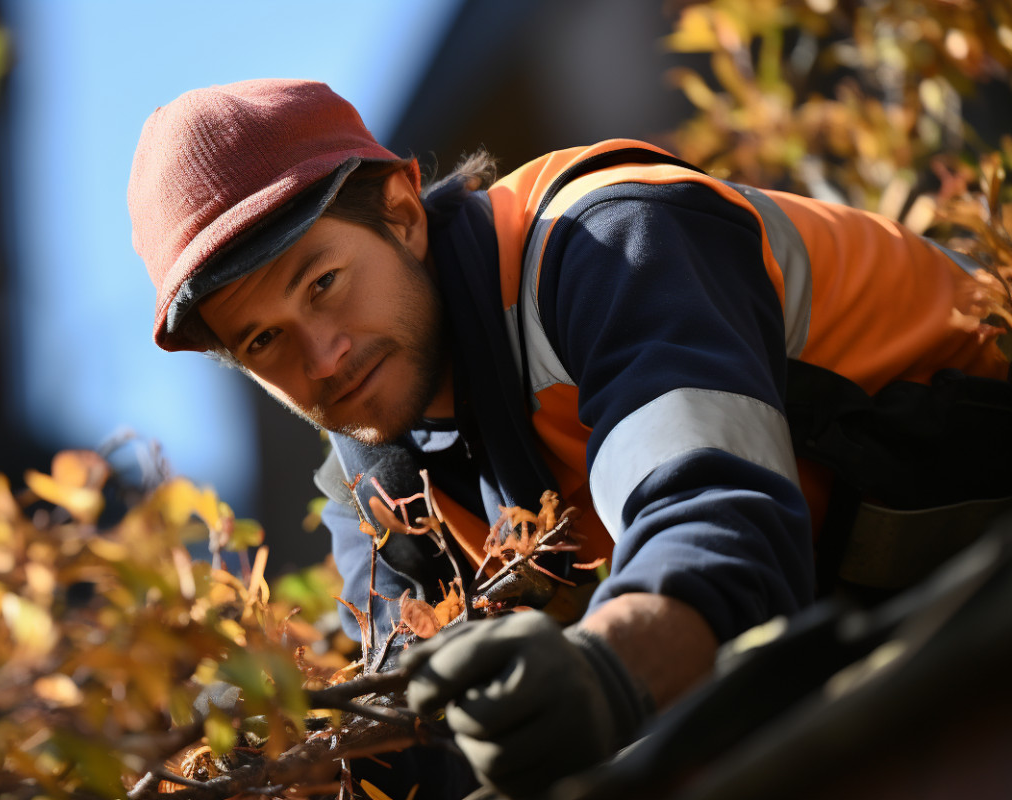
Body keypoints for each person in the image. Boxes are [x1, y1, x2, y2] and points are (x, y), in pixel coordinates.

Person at [126, 78, 1011, 797]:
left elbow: (717, 515)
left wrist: (602, 674)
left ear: (401, 212)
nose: (321, 359)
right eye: (264, 341)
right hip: (879, 641)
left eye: (322, 284)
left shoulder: (610, 241)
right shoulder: (380, 476)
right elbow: (416, 743)